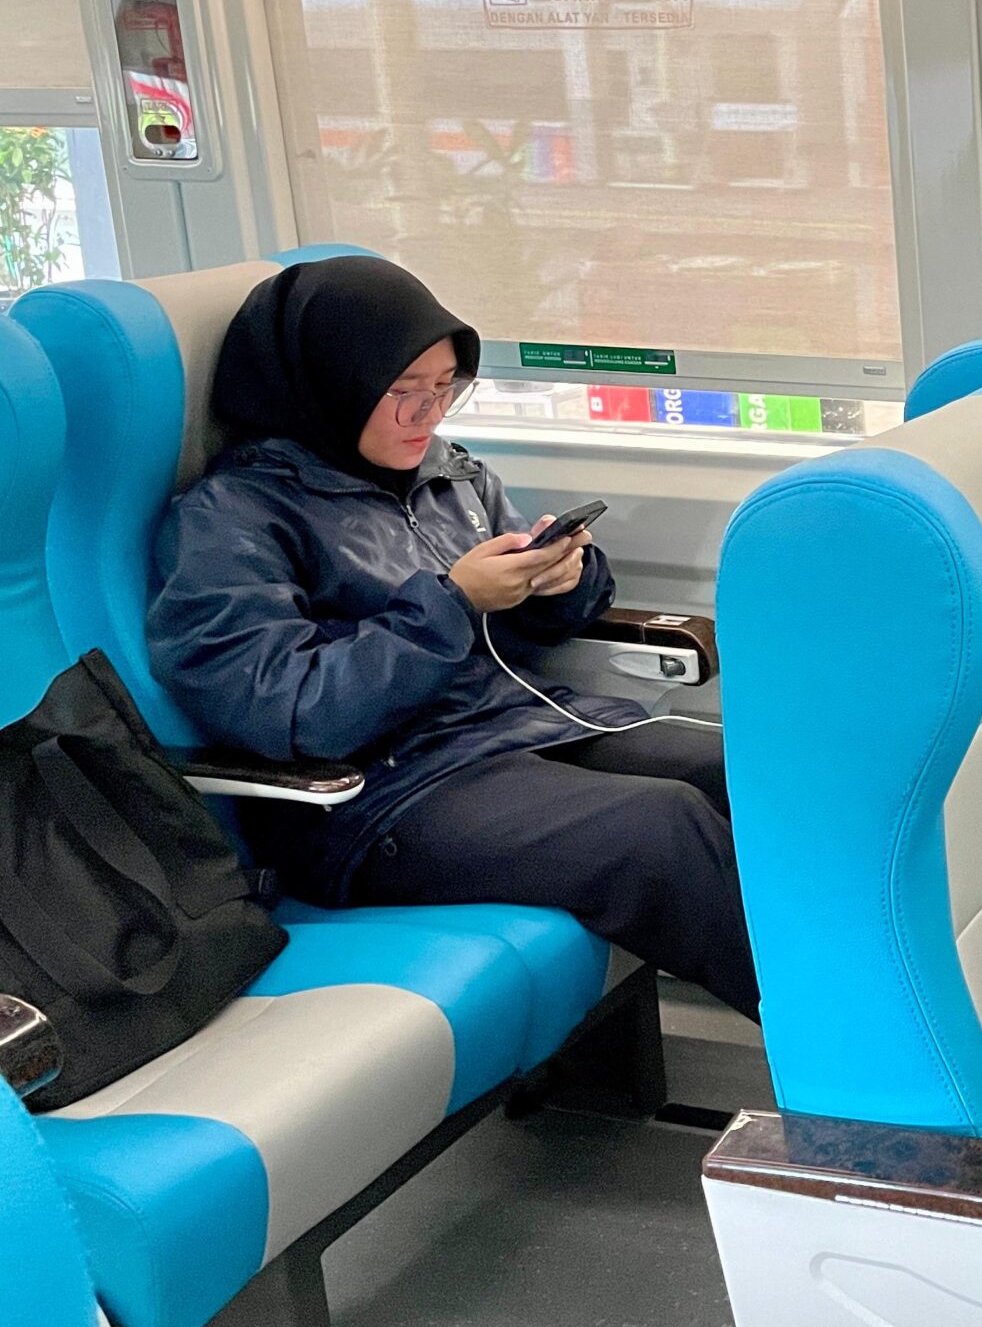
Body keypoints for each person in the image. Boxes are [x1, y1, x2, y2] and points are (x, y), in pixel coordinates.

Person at [147, 255, 757, 1018]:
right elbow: (292, 711)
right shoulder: (229, 520)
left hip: (506, 730)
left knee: (750, 771)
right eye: (402, 391)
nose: (427, 414)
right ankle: (851, 1055)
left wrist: (561, 581)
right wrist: (454, 604)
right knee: (659, 827)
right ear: (330, 386)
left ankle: (885, 1002)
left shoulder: (447, 473)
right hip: (377, 796)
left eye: (444, 388)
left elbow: (517, 637)